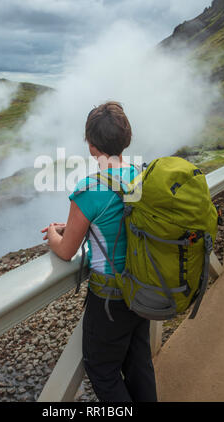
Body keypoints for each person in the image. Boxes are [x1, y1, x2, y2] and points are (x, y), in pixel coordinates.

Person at [41, 101, 157, 402]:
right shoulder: (140, 175)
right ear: (125, 140)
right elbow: (120, 218)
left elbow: (66, 252)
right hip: (142, 287)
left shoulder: (88, 189)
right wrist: (76, 226)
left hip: (110, 298)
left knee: (102, 369)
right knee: (138, 361)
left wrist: (54, 233)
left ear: (92, 147)